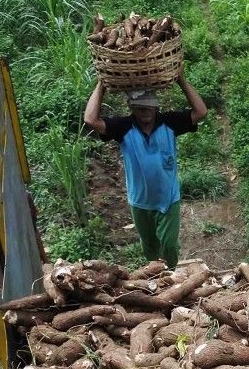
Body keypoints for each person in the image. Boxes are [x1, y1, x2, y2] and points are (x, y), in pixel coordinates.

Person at [83, 68, 207, 268]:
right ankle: (155, 276)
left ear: (156, 108)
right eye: (140, 109)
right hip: (140, 202)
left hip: (168, 199)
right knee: (150, 248)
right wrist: (101, 84)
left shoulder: (169, 123)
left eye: (149, 109)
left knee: (169, 245)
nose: (145, 113)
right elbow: (90, 119)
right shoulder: (123, 127)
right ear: (132, 108)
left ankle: (171, 273)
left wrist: (181, 79)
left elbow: (201, 112)